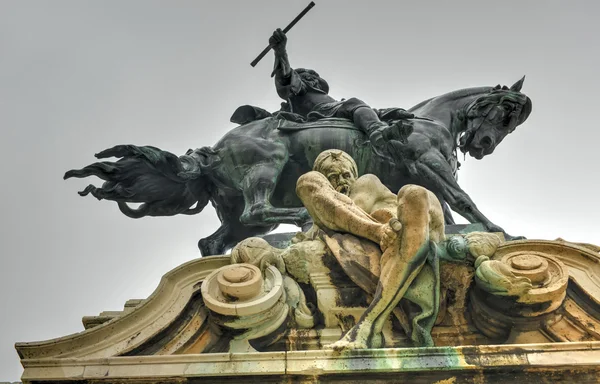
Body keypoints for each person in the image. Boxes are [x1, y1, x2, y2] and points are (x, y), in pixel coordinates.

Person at [295, 149, 445, 349]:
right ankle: (378, 232)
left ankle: (368, 326)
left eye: (347, 175)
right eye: (333, 177)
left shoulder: (365, 182)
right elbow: (334, 209)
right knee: (307, 180)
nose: (342, 181)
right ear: (327, 185)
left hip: (418, 223)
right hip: (391, 237)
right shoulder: (323, 191)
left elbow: (349, 209)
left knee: (414, 193)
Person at [269, 29, 413, 147]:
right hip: (321, 112)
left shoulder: (329, 98)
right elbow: (286, 76)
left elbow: (364, 111)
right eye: (309, 76)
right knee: (353, 102)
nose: (313, 78)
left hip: (335, 109)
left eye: (315, 77)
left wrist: (391, 112)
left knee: (356, 106)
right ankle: (377, 131)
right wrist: (281, 53)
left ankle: (380, 125)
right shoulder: (301, 88)